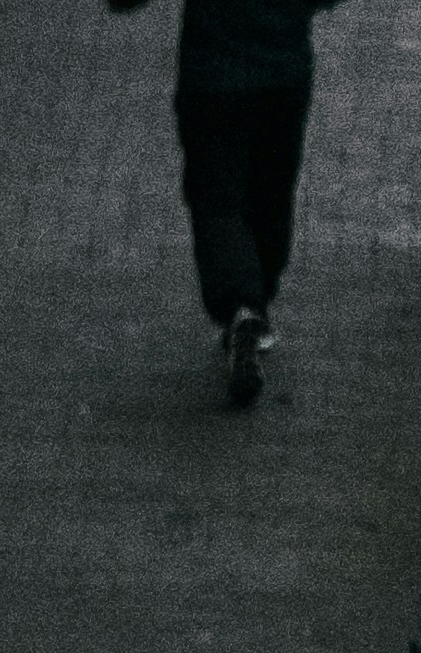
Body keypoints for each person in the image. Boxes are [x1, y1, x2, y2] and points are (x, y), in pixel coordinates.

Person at [108, 0, 345, 408]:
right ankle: (256, 301)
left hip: (212, 78)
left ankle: (241, 304)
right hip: (281, 74)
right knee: (271, 193)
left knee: (217, 199)